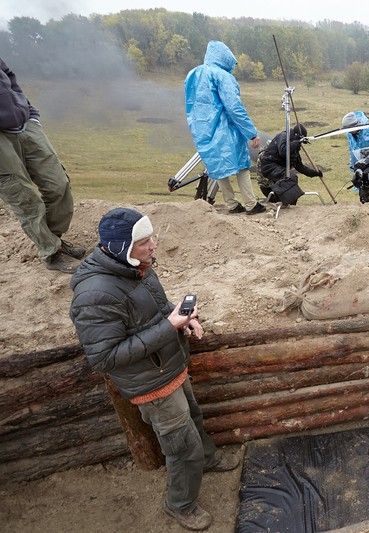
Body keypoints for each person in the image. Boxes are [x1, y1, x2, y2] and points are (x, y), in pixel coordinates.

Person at [69, 207, 239, 531]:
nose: (154, 246)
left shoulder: (138, 268)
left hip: (170, 367)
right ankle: (181, 505)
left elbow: (160, 310)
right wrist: (168, 327)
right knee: (181, 446)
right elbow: (103, 358)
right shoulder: (94, 295)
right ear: (121, 247)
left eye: (150, 239)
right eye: (144, 241)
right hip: (152, 385)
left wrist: (185, 322)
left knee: (195, 418)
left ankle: (209, 459)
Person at [0, 57, 85, 273]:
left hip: (24, 123)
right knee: (24, 197)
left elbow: (9, 75)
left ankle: (54, 238)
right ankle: (51, 252)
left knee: (58, 183)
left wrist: (29, 112)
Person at [185, 41, 265, 216]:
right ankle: (251, 204)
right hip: (224, 128)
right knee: (242, 165)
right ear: (225, 57)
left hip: (201, 129)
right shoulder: (222, 76)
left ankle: (231, 204)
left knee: (217, 166)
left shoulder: (193, 74)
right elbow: (234, 107)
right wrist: (251, 133)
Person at [257, 123, 322, 205]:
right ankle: (285, 201)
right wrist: (297, 142)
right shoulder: (284, 136)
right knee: (290, 177)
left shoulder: (294, 148)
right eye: (301, 142)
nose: (301, 144)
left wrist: (315, 173)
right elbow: (283, 151)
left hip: (277, 173)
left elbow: (300, 167)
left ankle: (289, 203)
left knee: (291, 177)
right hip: (269, 168)